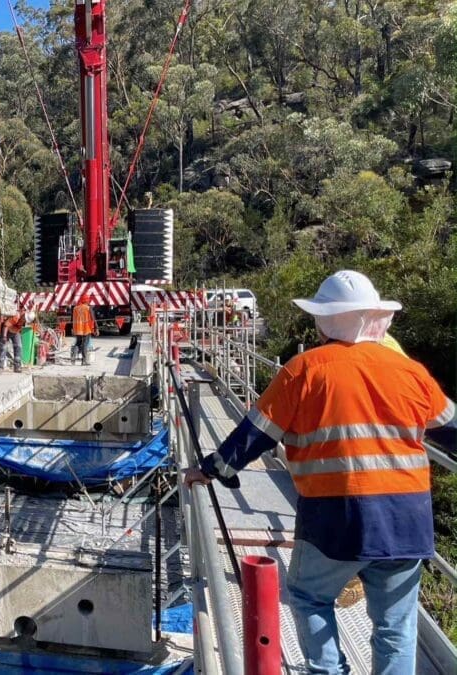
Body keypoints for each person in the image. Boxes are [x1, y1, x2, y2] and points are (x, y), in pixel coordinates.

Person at [184, 270, 455, 673]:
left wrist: (210, 469)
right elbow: (451, 430)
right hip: (407, 521)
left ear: (324, 319)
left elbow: (253, 435)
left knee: (309, 596)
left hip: (334, 517)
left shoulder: (304, 370)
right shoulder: (410, 371)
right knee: (396, 626)